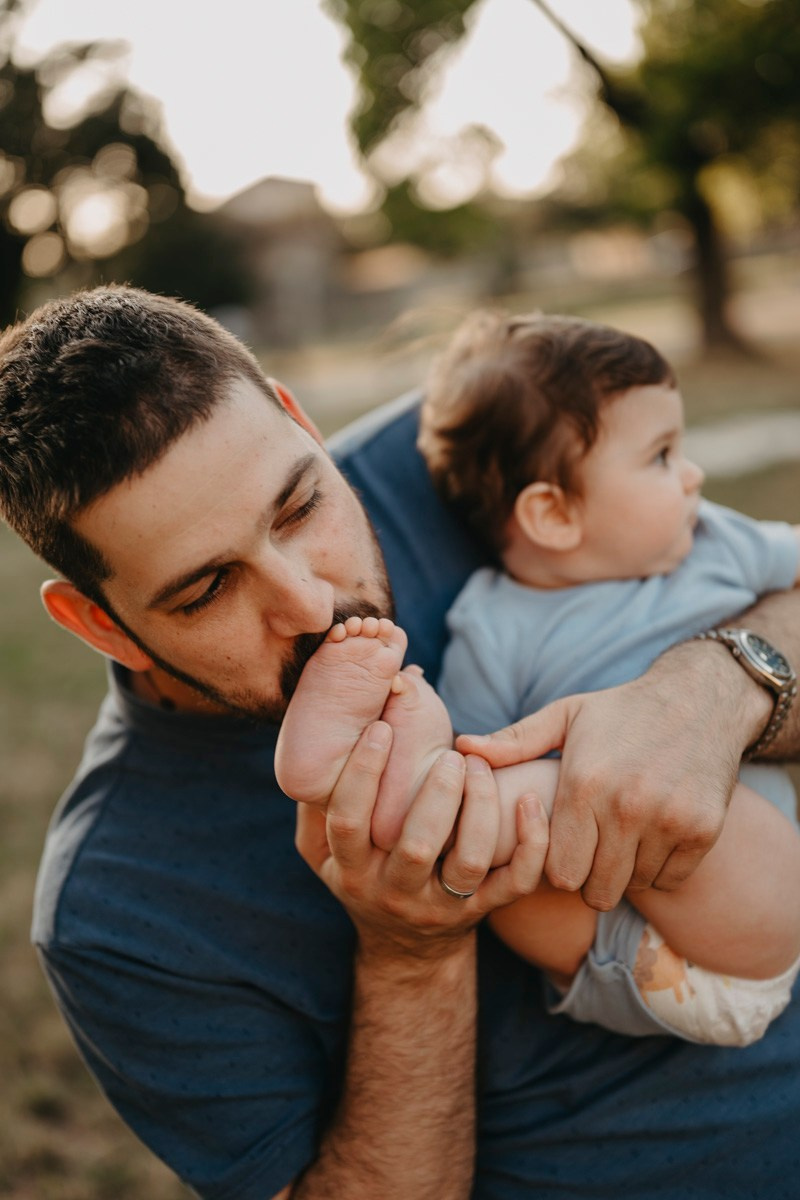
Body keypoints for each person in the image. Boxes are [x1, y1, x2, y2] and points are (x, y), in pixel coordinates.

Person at [0, 286, 797, 1200]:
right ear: (101, 625)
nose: (310, 604)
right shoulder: (116, 916)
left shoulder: (457, 448)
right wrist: (412, 955)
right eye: (207, 589)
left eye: (300, 508)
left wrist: (716, 686)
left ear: (298, 419)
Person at [275, 311, 800, 1046]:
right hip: (595, 943)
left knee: (563, 787)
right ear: (552, 514)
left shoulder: (718, 541)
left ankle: (385, 782)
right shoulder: (491, 623)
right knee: (495, 823)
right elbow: (481, 755)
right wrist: (453, 765)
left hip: (750, 922)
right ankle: (379, 756)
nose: (693, 476)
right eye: (661, 456)